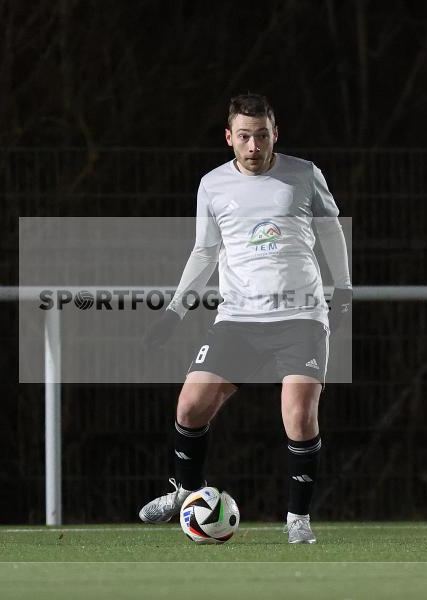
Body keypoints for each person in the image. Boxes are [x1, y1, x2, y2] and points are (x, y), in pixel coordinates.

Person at [140, 93, 352, 543]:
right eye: (243, 136)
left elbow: (331, 229)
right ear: (229, 138)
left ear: (275, 133)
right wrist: (176, 311)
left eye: (261, 135)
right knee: (190, 406)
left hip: (301, 316)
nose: (253, 146)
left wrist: (344, 289)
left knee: (297, 413)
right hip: (238, 319)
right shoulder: (212, 185)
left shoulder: (304, 175)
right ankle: (186, 494)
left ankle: (298, 519)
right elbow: (205, 250)